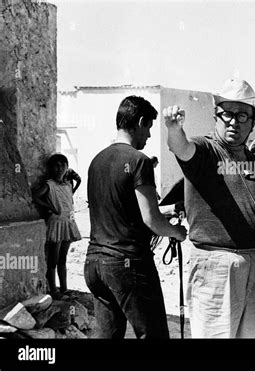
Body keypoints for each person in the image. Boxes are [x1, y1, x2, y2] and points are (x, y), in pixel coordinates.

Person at [162, 78, 255, 338]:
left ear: (253, 122)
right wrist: (174, 128)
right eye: (227, 114)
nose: (234, 121)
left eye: (242, 115)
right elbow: (182, 148)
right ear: (216, 116)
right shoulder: (206, 150)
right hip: (217, 265)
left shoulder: (252, 159)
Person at [85, 95, 187, 339]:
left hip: (95, 265)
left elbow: (124, 209)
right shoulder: (139, 161)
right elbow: (151, 220)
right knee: (154, 335)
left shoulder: (96, 161)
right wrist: (177, 232)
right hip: (127, 264)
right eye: (149, 127)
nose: (149, 136)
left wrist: (172, 209)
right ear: (141, 121)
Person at [32, 153, 82, 299]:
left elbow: (69, 196)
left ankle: (64, 290)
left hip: (68, 223)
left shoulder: (67, 184)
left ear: (67, 167)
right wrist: (49, 206)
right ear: (51, 168)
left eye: (63, 165)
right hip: (56, 224)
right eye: (57, 165)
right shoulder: (49, 185)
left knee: (63, 259)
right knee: (53, 259)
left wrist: (78, 181)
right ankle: (53, 291)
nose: (60, 168)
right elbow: (35, 196)